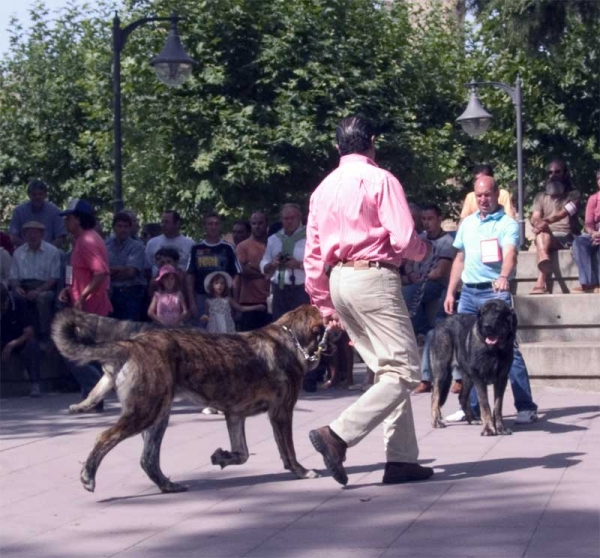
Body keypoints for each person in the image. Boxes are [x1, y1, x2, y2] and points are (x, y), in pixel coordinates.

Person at [304, 115, 434, 486]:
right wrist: (423, 251)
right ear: (371, 142)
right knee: (406, 370)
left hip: (339, 279)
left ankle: (402, 459)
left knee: (386, 370)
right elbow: (406, 238)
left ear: (337, 147)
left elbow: (313, 256)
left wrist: (324, 302)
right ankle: (338, 434)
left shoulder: (322, 189)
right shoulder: (381, 179)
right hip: (373, 277)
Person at [443, 175, 538, 425]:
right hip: (469, 293)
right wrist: (451, 290)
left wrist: (504, 276)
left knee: (509, 351)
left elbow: (510, 254)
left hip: (494, 294)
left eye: (487, 194)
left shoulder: (506, 224)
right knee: (468, 352)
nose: (483, 199)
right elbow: (460, 258)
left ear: (497, 194)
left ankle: (526, 406)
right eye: (479, 195)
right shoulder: (467, 224)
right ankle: (472, 408)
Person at [58, 198, 112, 412]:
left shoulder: (87, 240)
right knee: (86, 352)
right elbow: (82, 273)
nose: (66, 222)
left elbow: (101, 273)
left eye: (69, 217)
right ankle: (92, 396)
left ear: (78, 219)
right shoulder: (83, 240)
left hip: (90, 310)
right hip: (85, 308)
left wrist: (82, 297)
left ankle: (95, 394)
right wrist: (68, 290)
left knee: (71, 350)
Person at [401, 204, 455, 340]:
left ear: (439, 219)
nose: (426, 223)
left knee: (408, 294)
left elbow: (440, 271)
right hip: (419, 280)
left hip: (436, 284)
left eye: (430, 219)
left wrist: (420, 277)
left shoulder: (447, 242)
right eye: (423, 219)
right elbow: (408, 263)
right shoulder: (420, 239)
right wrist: (411, 274)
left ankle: (424, 332)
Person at [529, 171, 581, 294]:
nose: (553, 175)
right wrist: (537, 223)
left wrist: (544, 222)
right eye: (550, 173)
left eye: (558, 172)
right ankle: (544, 259)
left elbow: (563, 213)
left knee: (541, 235)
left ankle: (540, 283)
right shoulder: (540, 196)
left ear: (565, 174)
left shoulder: (574, 195)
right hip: (546, 235)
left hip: (566, 237)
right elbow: (535, 216)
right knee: (542, 234)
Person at [186, 212, 241, 325]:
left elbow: (236, 276)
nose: (213, 227)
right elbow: (190, 276)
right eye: (210, 224)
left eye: (216, 224)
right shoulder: (196, 249)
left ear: (220, 226)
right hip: (201, 297)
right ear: (205, 226)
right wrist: (192, 302)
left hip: (223, 297)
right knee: (201, 334)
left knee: (223, 332)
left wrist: (235, 302)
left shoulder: (228, 248)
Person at [9, 221, 61, 339]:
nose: (32, 236)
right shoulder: (18, 252)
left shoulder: (52, 251)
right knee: (12, 297)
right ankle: (16, 334)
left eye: (35, 233)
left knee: (43, 298)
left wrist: (38, 290)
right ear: (24, 236)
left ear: (42, 235)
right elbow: (13, 276)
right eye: (28, 233)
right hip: (23, 286)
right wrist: (17, 287)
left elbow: (54, 277)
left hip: (45, 287)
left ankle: (44, 334)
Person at [261, 204, 310, 321]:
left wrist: (298, 265)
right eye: (286, 219)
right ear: (281, 220)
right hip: (279, 290)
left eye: (292, 218)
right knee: (280, 328)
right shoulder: (273, 239)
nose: (289, 221)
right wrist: (273, 263)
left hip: (302, 290)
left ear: (299, 218)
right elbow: (264, 261)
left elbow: (319, 265)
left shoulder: (310, 238)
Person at [0, 283, 43, 397]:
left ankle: (35, 384)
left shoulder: (18, 302)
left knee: (33, 345)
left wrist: (11, 345)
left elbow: (29, 332)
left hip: (18, 339)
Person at [106, 212, 146, 321]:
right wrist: (119, 270)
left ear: (130, 228)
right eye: (119, 226)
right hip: (110, 294)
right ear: (114, 228)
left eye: (126, 226)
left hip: (130, 294)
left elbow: (130, 272)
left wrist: (108, 272)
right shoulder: (106, 245)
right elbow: (100, 270)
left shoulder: (137, 247)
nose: (123, 230)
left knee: (130, 332)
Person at [235, 211, 272, 331]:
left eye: (260, 223)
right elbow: (242, 270)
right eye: (254, 223)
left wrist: (253, 266)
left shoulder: (273, 244)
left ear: (267, 224)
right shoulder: (242, 246)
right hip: (249, 302)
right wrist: (265, 272)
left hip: (272, 300)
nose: (257, 226)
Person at [201, 271, 265, 334]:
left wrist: (256, 307)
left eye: (222, 283)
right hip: (214, 328)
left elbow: (241, 308)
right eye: (216, 283)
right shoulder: (208, 301)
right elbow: (207, 314)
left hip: (227, 327)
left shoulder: (227, 299)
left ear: (225, 285)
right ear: (212, 285)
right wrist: (205, 317)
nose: (219, 285)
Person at [9, 179, 67, 248]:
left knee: (61, 254)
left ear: (45, 195)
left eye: (40, 194)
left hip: (49, 251)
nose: (37, 197)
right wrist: (29, 248)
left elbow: (61, 237)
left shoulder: (54, 211)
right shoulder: (19, 211)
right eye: (34, 194)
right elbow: (13, 236)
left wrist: (47, 250)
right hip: (24, 251)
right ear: (29, 195)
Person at [571, 169, 600, 293]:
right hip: (596, 232)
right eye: (599, 179)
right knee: (579, 241)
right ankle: (588, 283)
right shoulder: (594, 199)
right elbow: (588, 223)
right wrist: (593, 233)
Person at [145, 210, 195, 277]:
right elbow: (147, 268)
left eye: (167, 222)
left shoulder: (190, 244)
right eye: (162, 222)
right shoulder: (152, 243)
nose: (163, 225)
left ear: (177, 224)